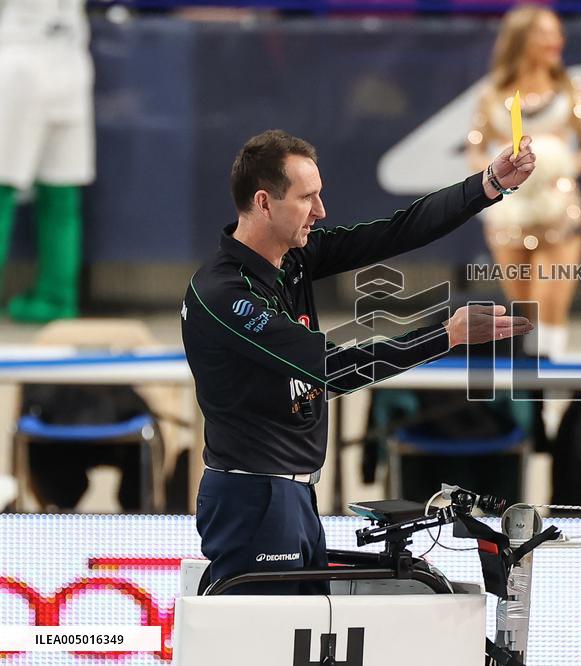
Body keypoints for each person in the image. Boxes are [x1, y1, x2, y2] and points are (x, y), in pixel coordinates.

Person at [181, 129, 535, 594]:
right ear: (264, 203)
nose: (321, 211)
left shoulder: (294, 260)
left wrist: (489, 184)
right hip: (254, 499)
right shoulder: (224, 294)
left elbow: (399, 230)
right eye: (308, 198)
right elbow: (334, 370)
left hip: (295, 494)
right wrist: (446, 336)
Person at [467, 5, 581, 358]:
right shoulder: (493, 94)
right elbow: (475, 151)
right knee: (521, 309)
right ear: (521, 39)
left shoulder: (569, 89)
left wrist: (559, 162)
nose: (556, 40)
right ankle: (530, 391)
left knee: (550, 299)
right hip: (509, 214)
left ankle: (552, 376)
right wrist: (499, 170)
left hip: (558, 210)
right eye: (545, 33)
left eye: (557, 32)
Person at [0, 0, 93, 322]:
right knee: (61, 194)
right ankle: (58, 300)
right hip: (71, 59)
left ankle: (56, 299)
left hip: (21, 58)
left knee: (5, 189)